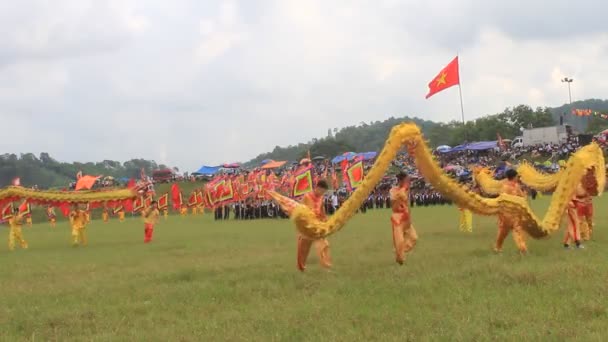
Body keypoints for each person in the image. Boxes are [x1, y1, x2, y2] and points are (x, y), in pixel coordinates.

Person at [297, 180, 332, 272]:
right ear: (317, 188)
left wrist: (325, 220)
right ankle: (301, 267)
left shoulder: (321, 198)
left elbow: (321, 209)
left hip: (317, 226)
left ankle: (326, 265)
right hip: (306, 228)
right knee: (303, 250)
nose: (322, 194)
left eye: (324, 192)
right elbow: (300, 211)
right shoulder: (306, 197)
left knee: (324, 244)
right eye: (322, 191)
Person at [494, 169, 527, 254]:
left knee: (517, 231)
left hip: (514, 213)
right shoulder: (506, 187)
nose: (518, 178)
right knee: (503, 233)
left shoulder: (516, 186)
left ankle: (522, 248)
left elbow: (522, 197)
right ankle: (498, 247)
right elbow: (503, 200)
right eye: (517, 176)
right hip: (506, 214)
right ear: (514, 177)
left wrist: (524, 196)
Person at [389, 172, 417, 264]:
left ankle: (399, 251)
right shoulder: (393, 190)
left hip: (406, 218)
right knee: (400, 240)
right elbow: (400, 197)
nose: (408, 183)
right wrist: (404, 188)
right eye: (406, 181)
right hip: (397, 218)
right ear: (400, 181)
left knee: (414, 238)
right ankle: (400, 258)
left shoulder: (406, 189)